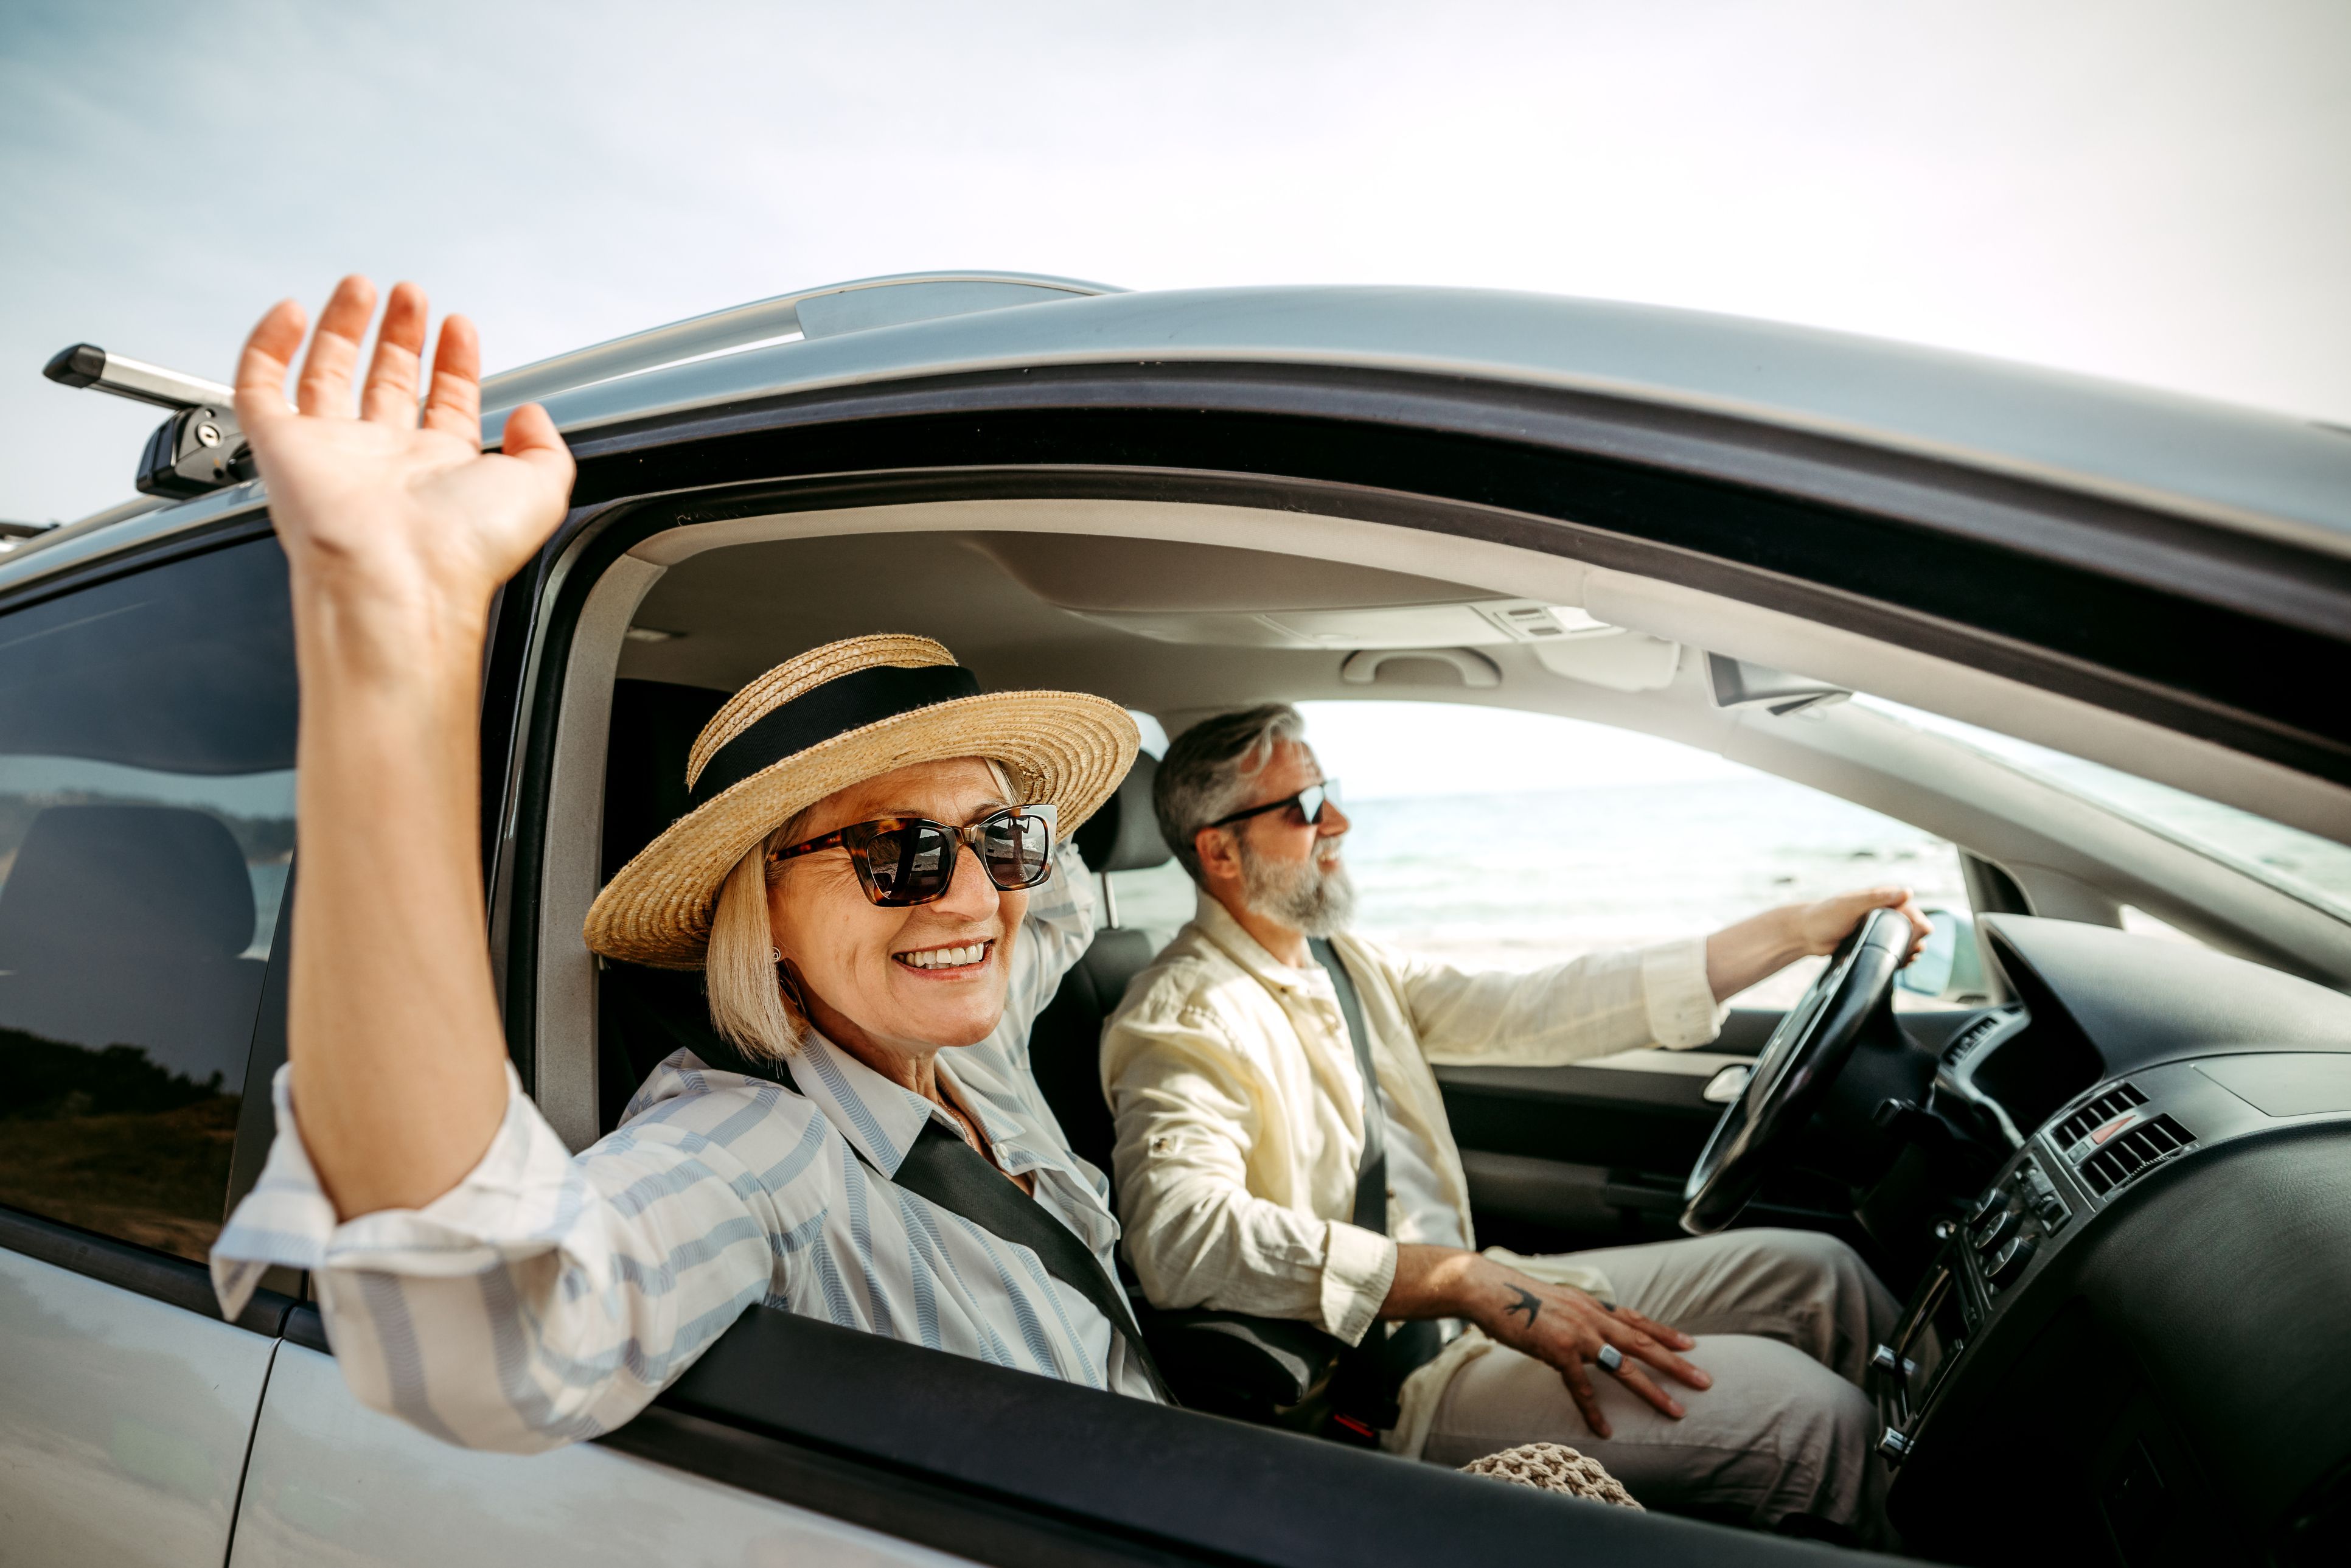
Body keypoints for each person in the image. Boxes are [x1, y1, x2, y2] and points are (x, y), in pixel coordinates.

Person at [206, 277, 1169, 1450]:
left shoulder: (983, 1039)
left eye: (998, 838)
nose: (972, 893)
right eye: (897, 851)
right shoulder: (762, 1148)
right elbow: (498, 1340)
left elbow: (1040, 907)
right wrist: (392, 630)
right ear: (758, 911)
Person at [1101, 703, 1932, 1541]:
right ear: (1219, 851)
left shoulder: (1343, 960)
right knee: (1816, 1423)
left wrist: (1793, 933)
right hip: (1391, 1381)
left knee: (1820, 1276)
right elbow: (1178, 1236)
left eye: (1331, 793)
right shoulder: (1180, 1013)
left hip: (1473, 1301)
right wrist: (1454, 1277)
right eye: (1306, 806)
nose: (1340, 822)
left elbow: (1537, 1005)